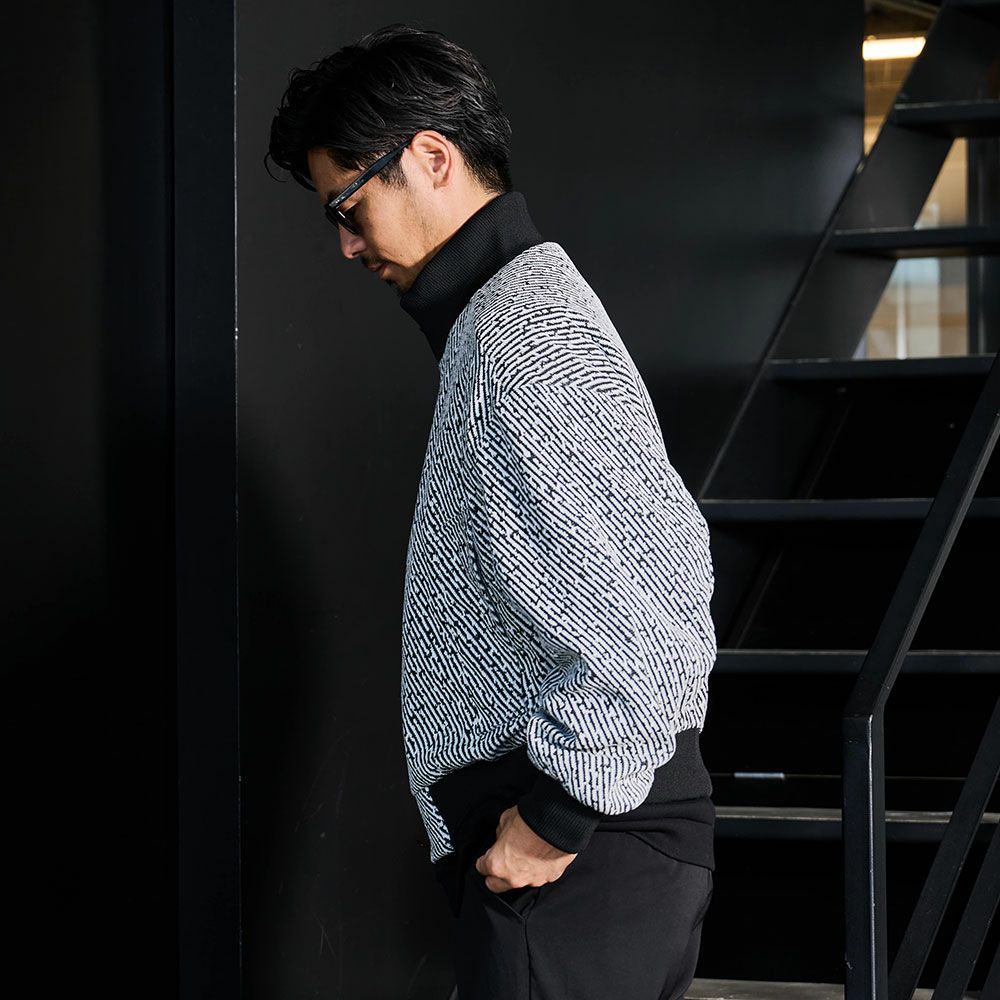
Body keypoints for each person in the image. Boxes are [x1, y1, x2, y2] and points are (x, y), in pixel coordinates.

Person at [266, 23, 716, 1000]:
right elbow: (675, 561)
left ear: (430, 157)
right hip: (597, 861)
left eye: (349, 205)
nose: (346, 244)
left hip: (578, 867)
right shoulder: (516, 317)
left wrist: (555, 815)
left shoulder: (517, 344)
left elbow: (646, 633)